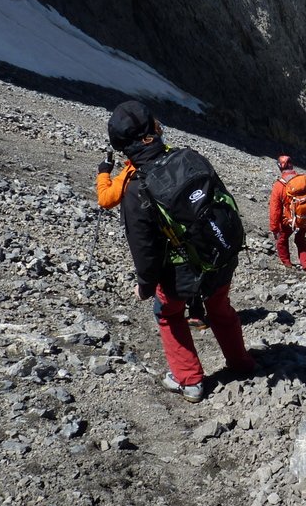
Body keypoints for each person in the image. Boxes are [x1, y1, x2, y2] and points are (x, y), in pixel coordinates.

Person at [106, 100, 254, 403]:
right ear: (155, 129)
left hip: (179, 274)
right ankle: (242, 364)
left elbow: (144, 248)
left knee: (167, 313)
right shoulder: (189, 157)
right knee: (220, 308)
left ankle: (190, 381)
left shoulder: (135, 189)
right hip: (220, 255)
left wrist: (146, 285)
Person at [97, 144, 206, 329]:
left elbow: (106, 199)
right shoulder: (173, 155)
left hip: (161, 238)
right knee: (191, 261)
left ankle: (173, 328)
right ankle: (197, 312)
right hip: (188, 227)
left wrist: (103, 173)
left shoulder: (133, 172)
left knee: (166, 297)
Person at [268, 155, 306, 272]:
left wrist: (274, 228)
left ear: (280, 168)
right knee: (300, 238)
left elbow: (275, 209)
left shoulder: (279, 185)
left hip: (289, 220)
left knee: (282, 238)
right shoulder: (305, 179)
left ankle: (287, 264)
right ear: (292, 165)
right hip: (305, 215)